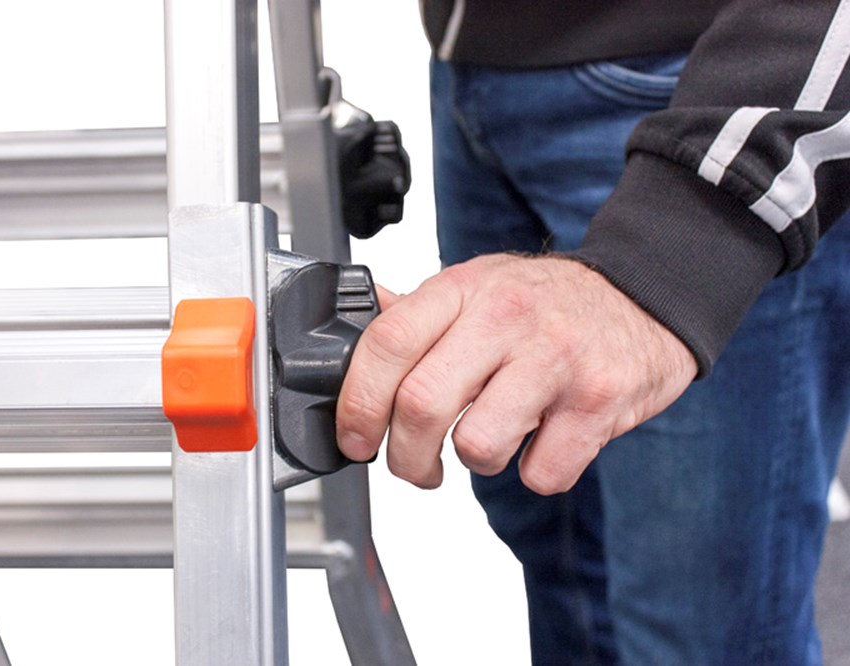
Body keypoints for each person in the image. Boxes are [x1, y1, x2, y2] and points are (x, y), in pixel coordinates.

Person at [336, 1, 850, 663]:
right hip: (473, 63)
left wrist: (678, 247)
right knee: (553, 545)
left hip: (709, 84)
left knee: (702, 627)